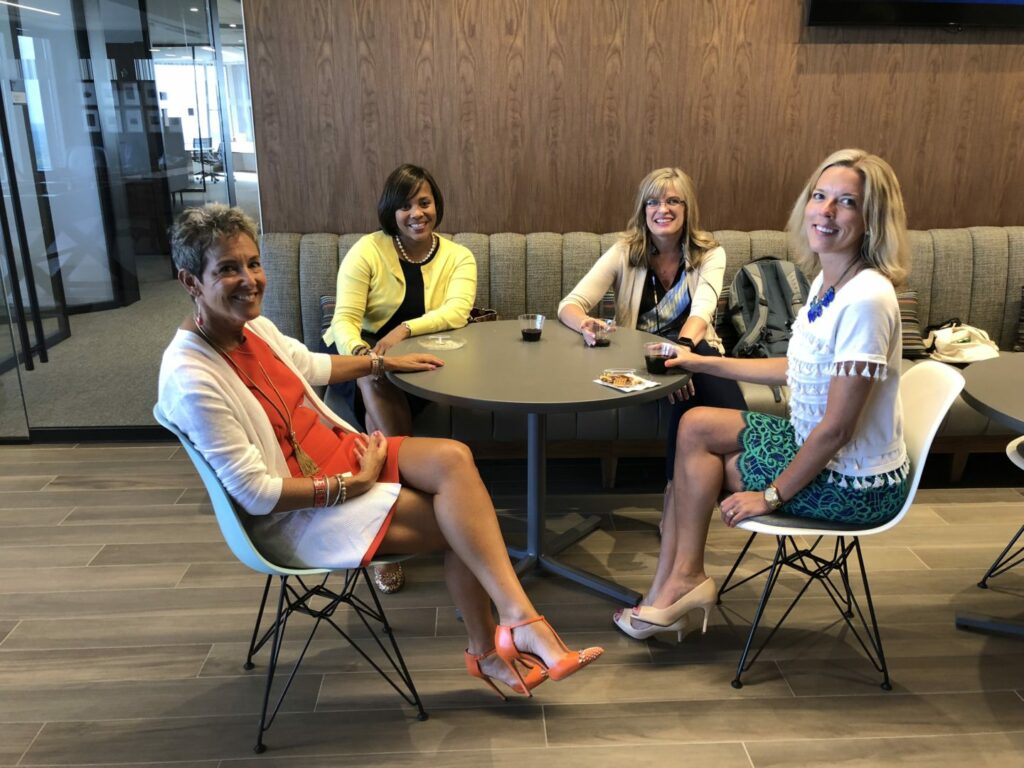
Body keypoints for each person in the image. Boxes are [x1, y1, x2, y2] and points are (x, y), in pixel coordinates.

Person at [157, 204, 602, 697]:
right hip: (302, 512)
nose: (249, 279)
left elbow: (313, 365)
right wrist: (355, 484)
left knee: (454, 458)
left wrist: (383, 364)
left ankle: (515, 622)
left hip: (344, 455)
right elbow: (256, 495)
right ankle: (495, 646)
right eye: (228, 269)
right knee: (464, 525)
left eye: (253, 263)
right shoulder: (192, 376)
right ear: (190, 281)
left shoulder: (251, 328)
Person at [613, 149, 911, 640]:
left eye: (846, 202)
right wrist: (698, 360)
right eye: (819, 196)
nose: (826, 211)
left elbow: (838, 429)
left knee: (708, 468)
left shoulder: (867, 300)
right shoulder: (830, 279)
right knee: (695, 424)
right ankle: (675, 580)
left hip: (855, 484)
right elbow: (795, 368)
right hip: (816, 445)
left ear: (872, 219)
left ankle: (676, 585)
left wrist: (771, 496)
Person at [324, 164, 477, 594]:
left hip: (424, 363)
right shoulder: (367, 251)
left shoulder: (459, 256)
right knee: (372, 381)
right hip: (359, 359)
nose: (416, 213)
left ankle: (386, 512)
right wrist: (365, 357)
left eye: (424, 203)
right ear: (391, 211)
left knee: (378, 399)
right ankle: (403, 495)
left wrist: (403, 332)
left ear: (436, 205)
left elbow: (457, 312)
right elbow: (344, 320)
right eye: (405, 206)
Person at [557, 167, 746, 509]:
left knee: (691, 375)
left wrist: (681, 355)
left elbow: (702, 313)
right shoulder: (625, 251)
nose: (663, 209)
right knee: (690, 378)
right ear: (643, 209)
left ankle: (677, 493)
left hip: (693, 349)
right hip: (638, 357)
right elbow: (569, 305)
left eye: (674, 201)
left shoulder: (710, 253)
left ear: (687, 208)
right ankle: (710, 487)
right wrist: (585, 324)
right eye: (653, 202)